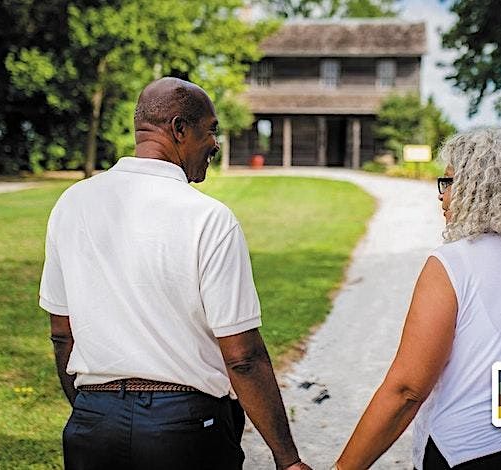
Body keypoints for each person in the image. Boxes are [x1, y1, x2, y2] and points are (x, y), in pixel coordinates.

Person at [39, 77, 311, 470]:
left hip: (93, 424)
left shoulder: (71, 204)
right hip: (185, 428)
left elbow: (62, 333)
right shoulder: (208, 218)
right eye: (211, 129)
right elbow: (243, 358)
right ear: (180, 129)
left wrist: (93, 412)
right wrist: (288, 459)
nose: (215, 143)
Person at [335, 127, 501, 469]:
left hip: (469, 453)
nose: (441, 196)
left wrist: (342, 467)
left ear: (478, 190)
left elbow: (406, 390)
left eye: (448, 183)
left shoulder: (454, 262)